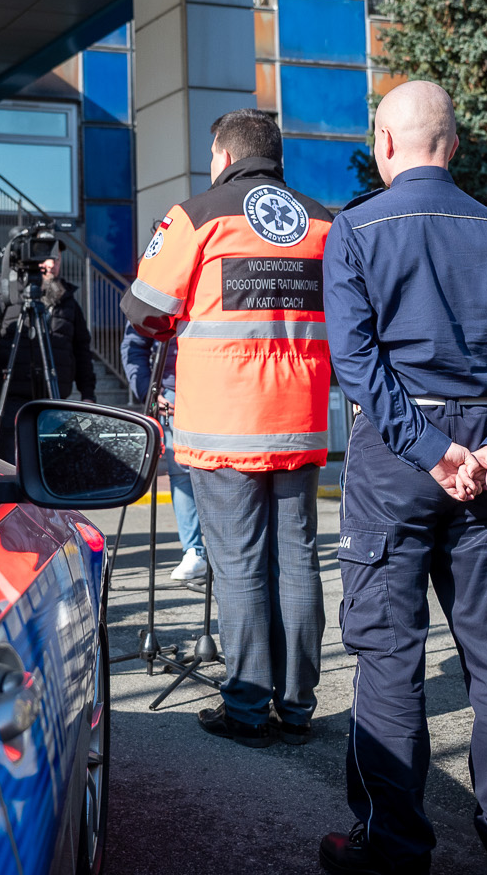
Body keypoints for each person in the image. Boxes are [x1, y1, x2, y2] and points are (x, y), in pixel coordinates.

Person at [318, 80, 487, 875]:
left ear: (385, 144)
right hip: (484, 459)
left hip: (398, 456)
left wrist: (428, 449)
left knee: (389, 652)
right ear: (452, 145)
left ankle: (397, 849)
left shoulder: (355, 229)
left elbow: (357, 362)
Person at [123, 108, 331, 750]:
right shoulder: (323, 221)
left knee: (239, 566)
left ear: (224, 155)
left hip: (223, 426)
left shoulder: (196, 216)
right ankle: (297, 707)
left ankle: (246, 708)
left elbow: (144, 309)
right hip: (299, 421)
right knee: (297, 561)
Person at [0, 238, 97, 462]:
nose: (52, 264)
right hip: (13, 400)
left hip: (54, 399)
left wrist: (88, 394)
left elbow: (81, 351)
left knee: (53, 467)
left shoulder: (68, 301)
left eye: (57, 258)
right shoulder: (4, 293)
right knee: (10, 467)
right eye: (46, 257)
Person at [120, 324, 206, 583]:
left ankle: (226, 551)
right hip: (174, 392)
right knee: (181, 473)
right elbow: (135, 345)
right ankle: (194, 551)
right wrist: (148, 391)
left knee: (229, 471)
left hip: (225, 387)